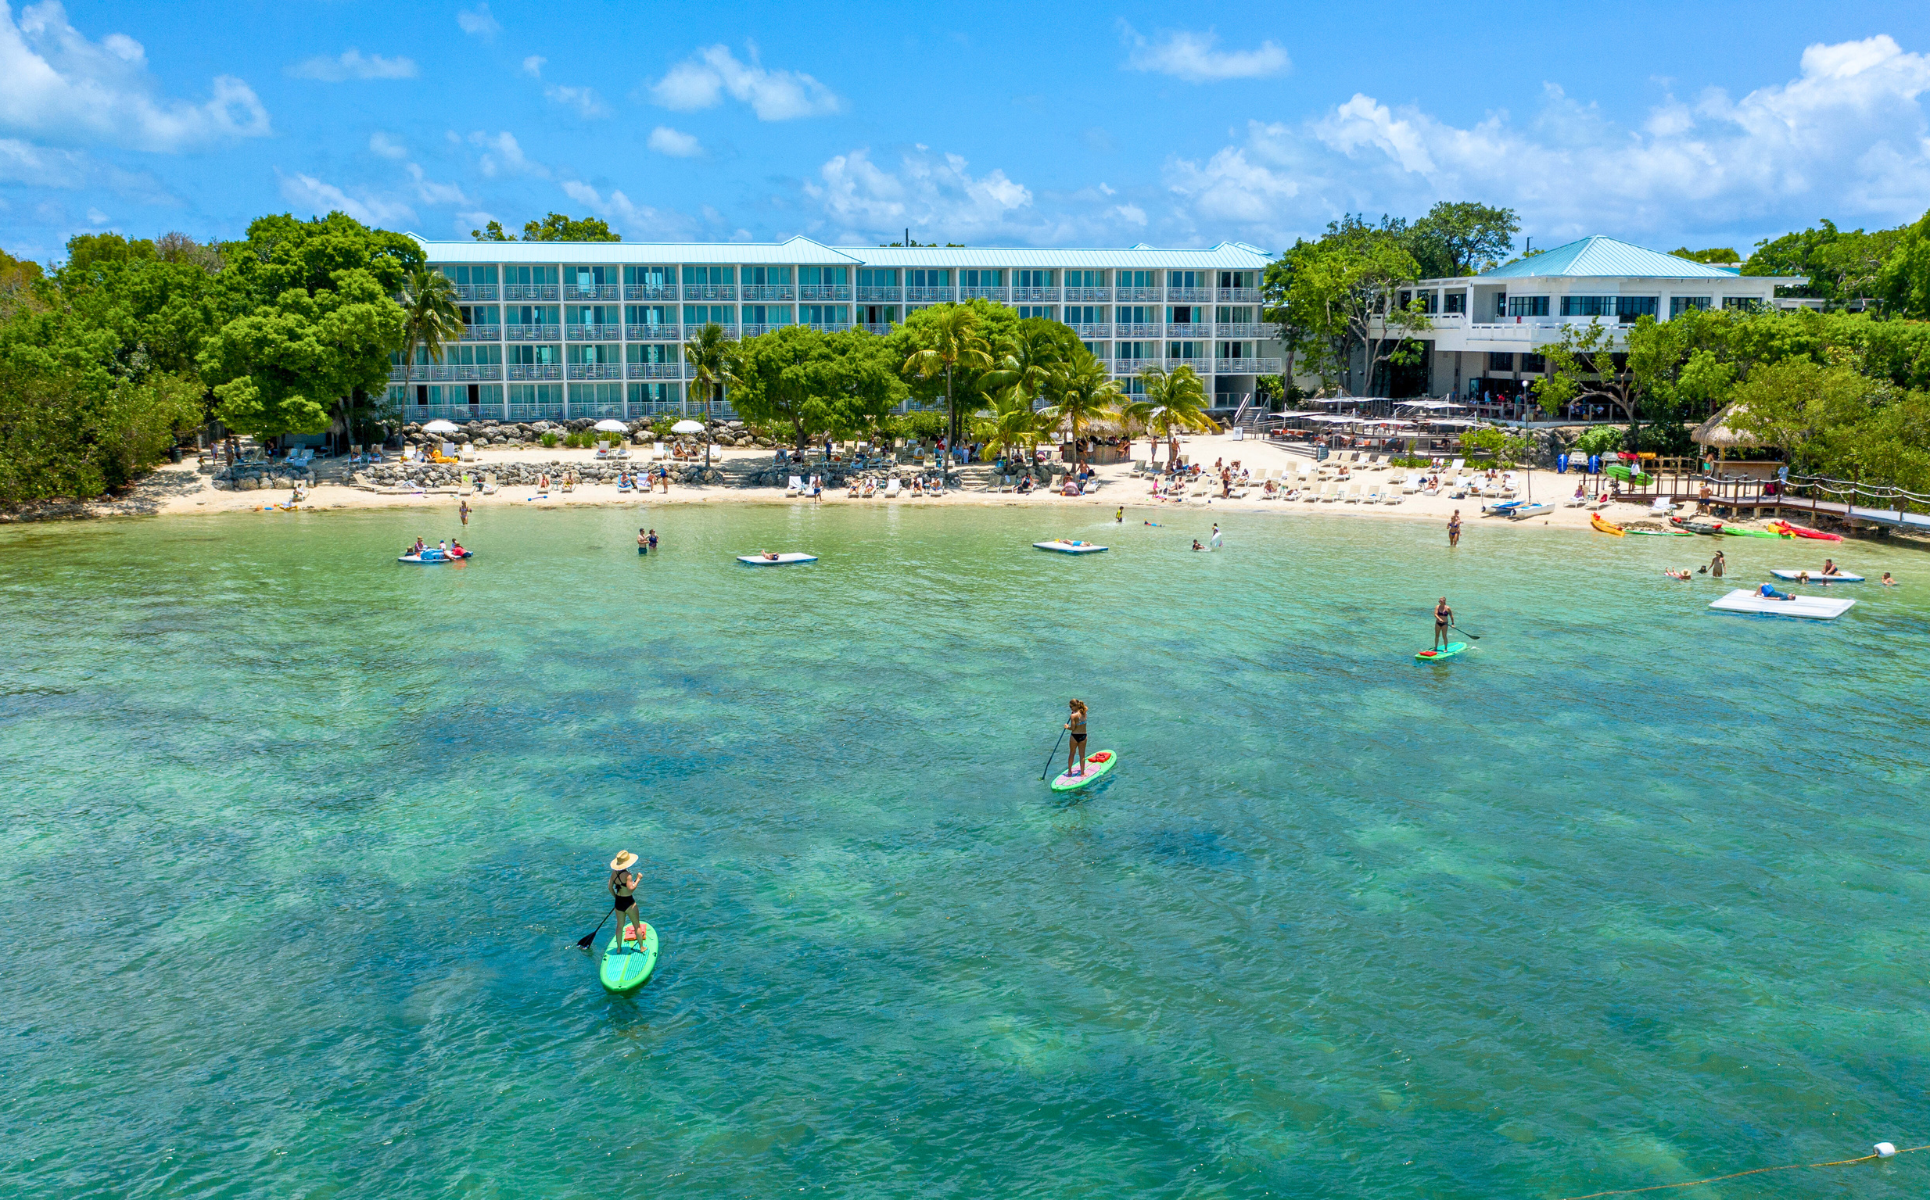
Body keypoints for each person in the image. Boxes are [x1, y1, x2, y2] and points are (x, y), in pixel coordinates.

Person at [608, 851, 645, 947]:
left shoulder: (613, 873)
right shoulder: (628, 875)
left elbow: (610, 887)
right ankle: (641, 947)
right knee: (636, 925)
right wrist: (638, 879)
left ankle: (619, 948)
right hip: (628, 902)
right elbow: (631, 889)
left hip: (618, 902)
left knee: (619, 926)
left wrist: (615, 897)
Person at [1064, 698, 1089, 778]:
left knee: (1072, 753)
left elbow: (1073, 728)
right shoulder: (1084, 712)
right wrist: (1076, 710)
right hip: (1083, 736)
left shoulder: (1073, 716)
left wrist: (1067, 727)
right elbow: (1084, 709)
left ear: (1074, 706)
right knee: (1082, 755)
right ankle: (1082, 773)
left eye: (1071, 706)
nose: (1070, 708)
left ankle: (1069, 771)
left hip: (1074, 736)